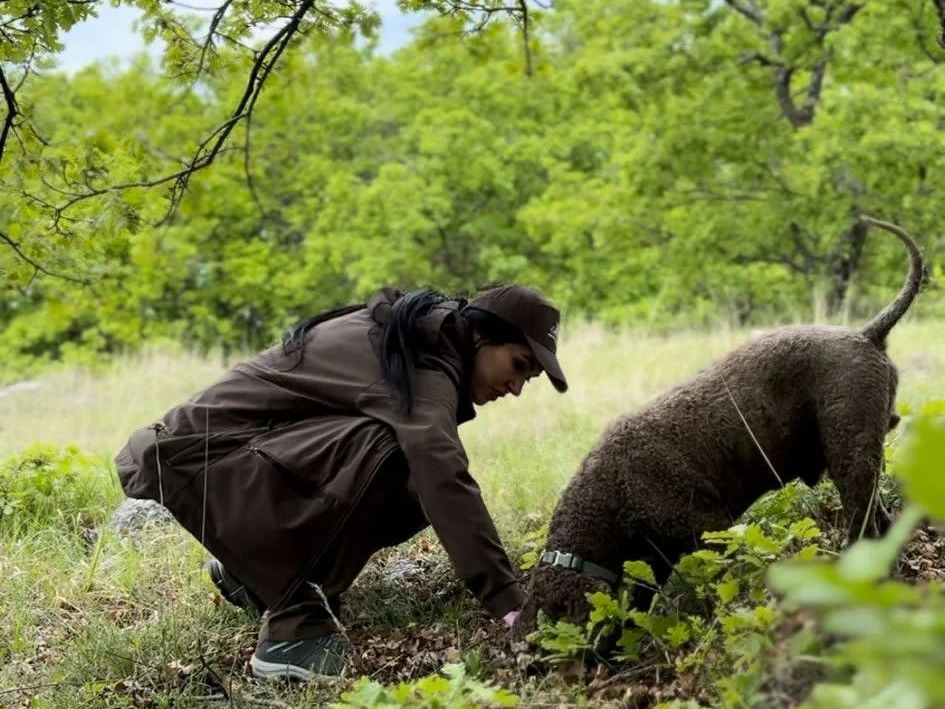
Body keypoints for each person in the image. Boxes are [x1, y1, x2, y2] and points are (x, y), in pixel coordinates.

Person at [115, 284, 568, 680]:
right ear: (483, 335)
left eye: (526, 378)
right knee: (398, 458)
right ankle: (297, 624)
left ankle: (249, 572)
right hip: (197, 462)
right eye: (519, 364)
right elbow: (445, 475)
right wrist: (509, 604)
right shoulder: (418, 361)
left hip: (215, 463)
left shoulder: (419, 341)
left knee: (405, 467)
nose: (515, 388)